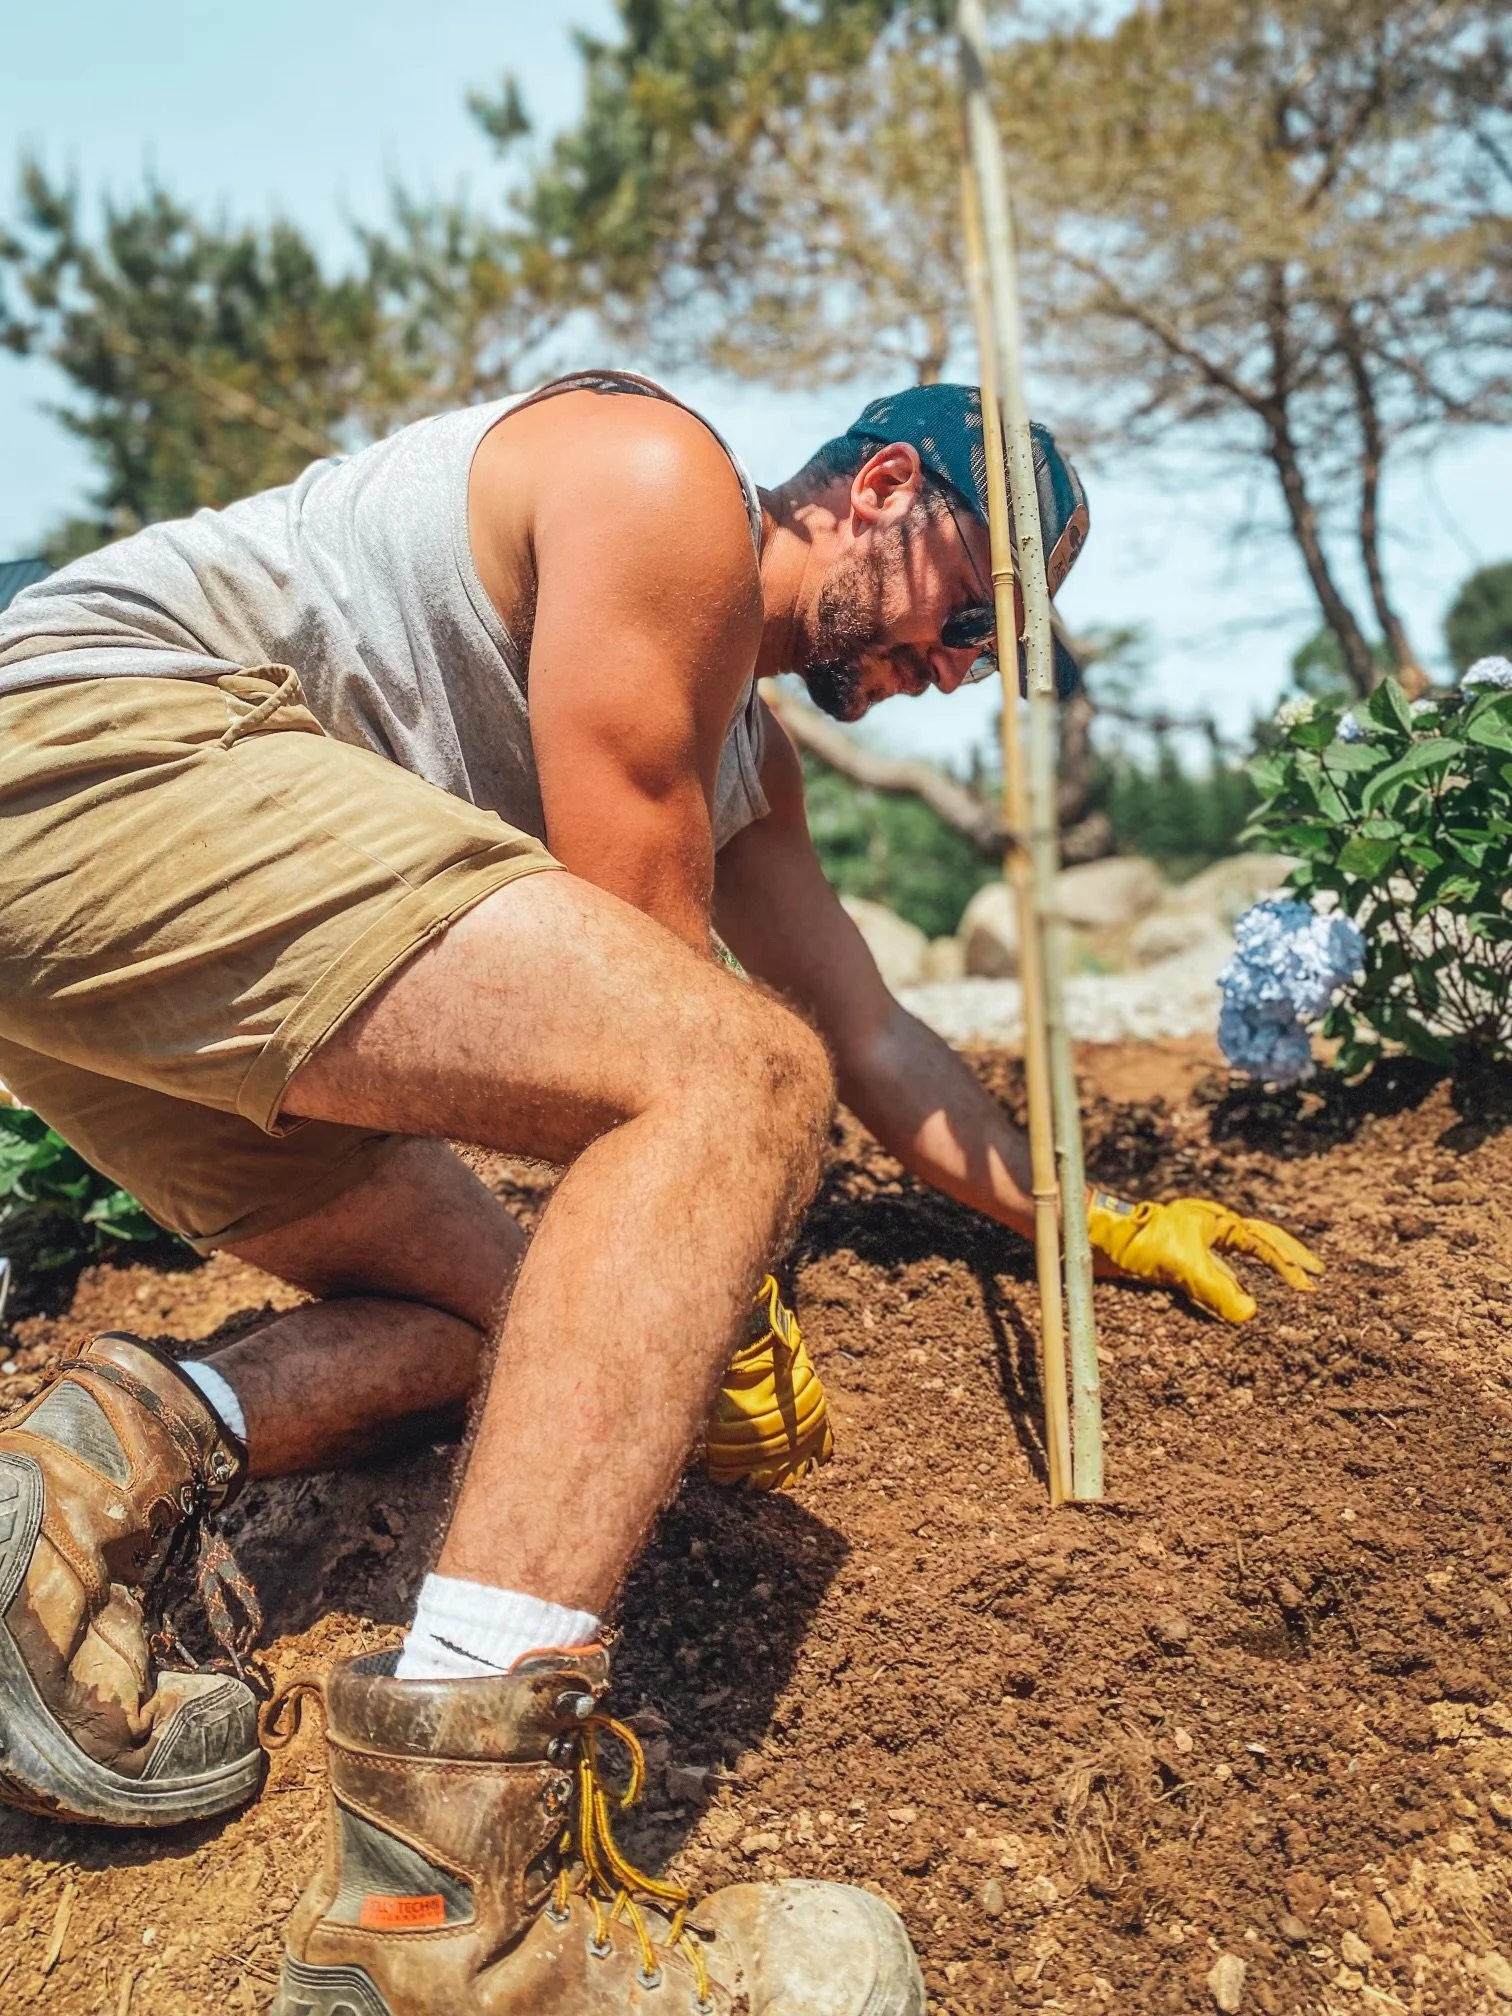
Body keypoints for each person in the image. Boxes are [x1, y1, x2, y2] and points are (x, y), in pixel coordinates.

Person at [0, 374, 1320, 2013]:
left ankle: (70, 1502)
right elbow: (667, 995)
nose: (958, 667)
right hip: (96, 750)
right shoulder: (662, 481)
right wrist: (738, 1305)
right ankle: (442, 1931)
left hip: (96, 903)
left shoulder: (747, 743)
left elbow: (875, 1028)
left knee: (508, 1323)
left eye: (992, 656)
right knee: (733, 1078)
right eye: (971, 609)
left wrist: (1088, 1216)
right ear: (883, 486)